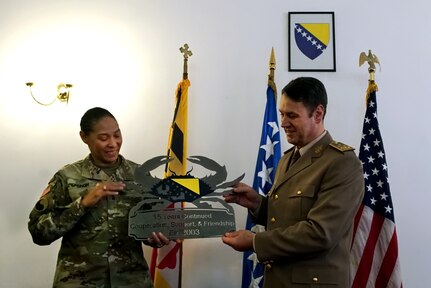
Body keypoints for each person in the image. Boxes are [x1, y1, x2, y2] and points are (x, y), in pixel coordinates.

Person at [222, 77, 365, 287]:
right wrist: (257, 204)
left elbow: (320, 233)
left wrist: (254, 241)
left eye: (292, 115)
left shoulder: (342, 163)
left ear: (318, 113)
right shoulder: (288, 158)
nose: (283, 123)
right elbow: (288, 216)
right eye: (281, 114)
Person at [28, 107, 169, 288]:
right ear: (84, 137)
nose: (113, 143)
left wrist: (154, 236)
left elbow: (153, 225)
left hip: (131, 281)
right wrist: (82, 204)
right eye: (104, 138)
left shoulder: (141, 176)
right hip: (79, 282)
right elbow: (39, 234)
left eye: (117, 135)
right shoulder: (67, 177)